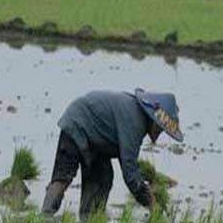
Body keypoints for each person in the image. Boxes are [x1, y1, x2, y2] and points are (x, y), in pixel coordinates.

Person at [41, 89, 184, 215]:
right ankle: (45, 218)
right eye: (160, 128)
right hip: (77, 123)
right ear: (153, 119)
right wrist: (153, 205)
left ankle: (89, 221)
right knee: (63, 177)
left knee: (103, 179)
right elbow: (130, 172)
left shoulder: (136, 116)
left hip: (97, 142)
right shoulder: (135, 123)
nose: (160, 132)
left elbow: (128, 163)